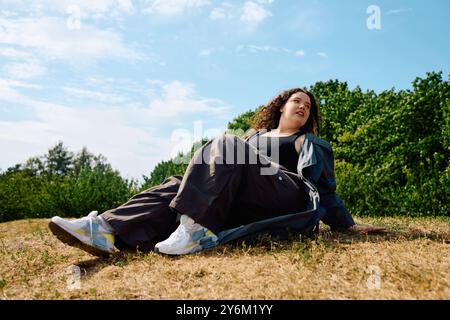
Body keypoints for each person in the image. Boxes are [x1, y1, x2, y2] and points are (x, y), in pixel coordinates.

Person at [49, 88, 385, 257]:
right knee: (177, 185)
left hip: (287, 196)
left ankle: (194, 229)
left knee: (227, 142)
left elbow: (322, 189)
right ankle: (104, 229)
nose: (302, 106)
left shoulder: (306, 141)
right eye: (297, 100)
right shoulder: (253, 138)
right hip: (245, 198)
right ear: (281, 106)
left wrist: (349, 226)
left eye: (308, 106)